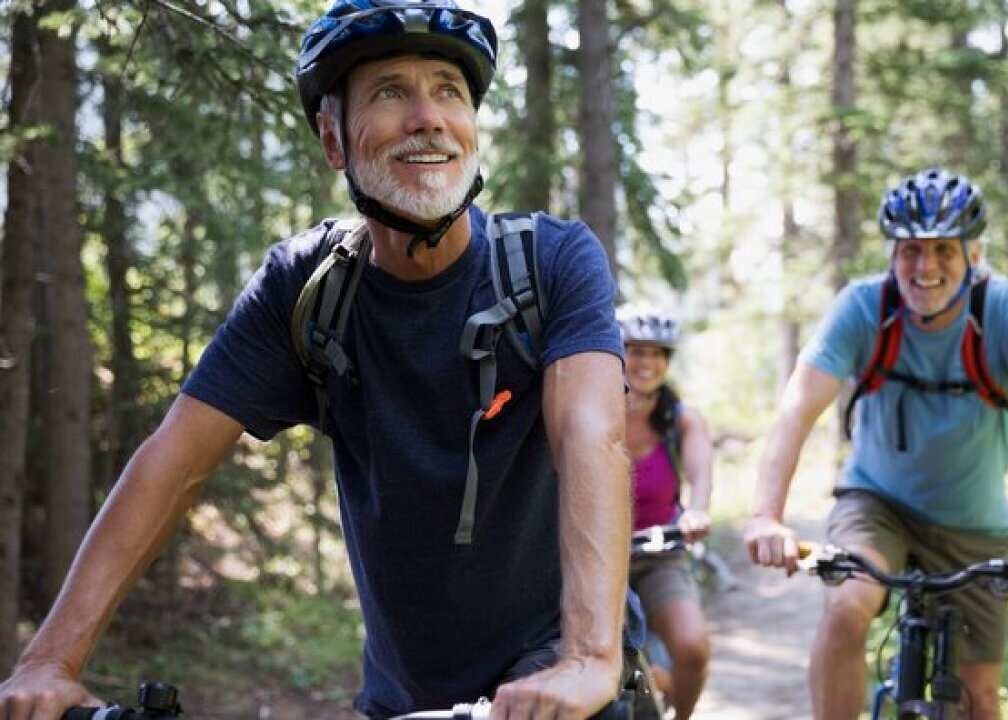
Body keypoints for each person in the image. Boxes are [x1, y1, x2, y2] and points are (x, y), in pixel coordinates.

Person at [0, 2, 630, 719]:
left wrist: (588, 661)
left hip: (557, 670)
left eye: (449, 90)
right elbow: (175, 459)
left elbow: (592, 434)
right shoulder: (306, 289)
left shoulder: (551, 262)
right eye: (391, 91)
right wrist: (48, 663)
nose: (427, 116)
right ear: (333, 139)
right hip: (401, 699)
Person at [743, 168, 1008, 720]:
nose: (925, 267)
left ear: (974, 253)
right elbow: (797, 411)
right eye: (911, 250)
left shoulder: (1006, 310)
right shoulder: (865, 306)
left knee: (979, 700)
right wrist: (765, 516)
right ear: (893, 253)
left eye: (944, 250)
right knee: (847, 607)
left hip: (976, 524)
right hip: (877, 505)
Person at [620, 309, 713, 720]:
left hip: (661, 553)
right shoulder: (596, 410)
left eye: (657, 354)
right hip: (602, 556)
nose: (646, 363)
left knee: (693, 648)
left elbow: (700, 473)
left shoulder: (681, 420)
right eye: (636, 352)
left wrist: (696, 512)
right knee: (622, 664)